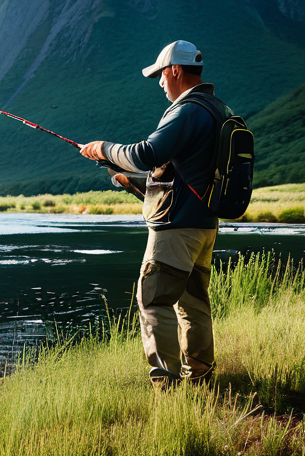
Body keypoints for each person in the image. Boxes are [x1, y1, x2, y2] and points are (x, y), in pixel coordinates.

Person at [80, 40, 229, 388]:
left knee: (153, 300)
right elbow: (183, 171)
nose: (160, 82)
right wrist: (127, 177)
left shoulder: (186, 110)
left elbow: (149, 153)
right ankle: (201, 376)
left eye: (161, 74)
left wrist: (104, 148)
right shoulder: (217, 109)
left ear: (175, 70)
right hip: (204, 225)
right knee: (192, 302)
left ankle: (167, 386)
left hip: (176, 229)